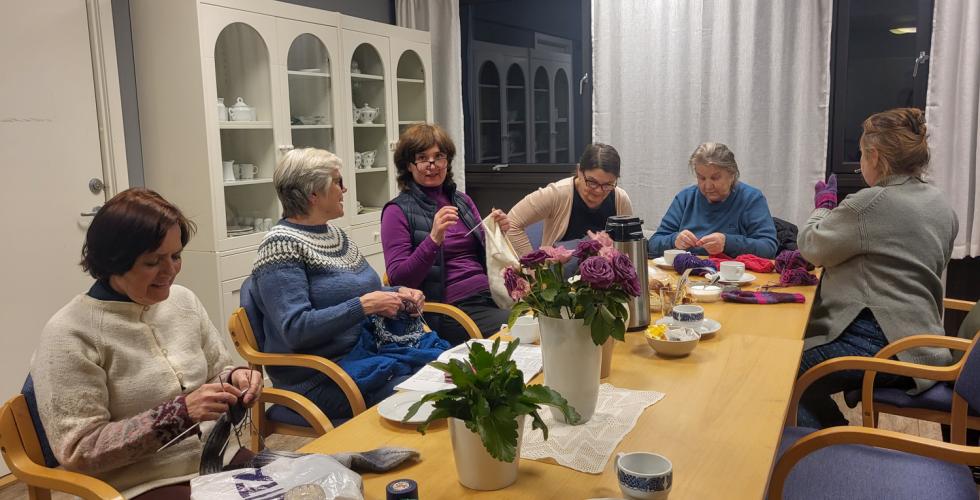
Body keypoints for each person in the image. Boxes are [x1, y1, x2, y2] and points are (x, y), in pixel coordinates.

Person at [31, 188, 263, 499]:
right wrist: (181, 413)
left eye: (176, 256)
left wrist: (236, 379)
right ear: (113, 261)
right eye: (153, 261)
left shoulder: (184, 302)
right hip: (137, 485)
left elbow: (217, 372)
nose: (170, 271)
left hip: (218, 460)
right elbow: (79, 449)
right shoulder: (69, 334)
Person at [796, 108, 958, 429]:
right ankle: (835, 436)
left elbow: (811, 246)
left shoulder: (869, 203)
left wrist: (823, 207)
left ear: (874, 156)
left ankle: (831, 443)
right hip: (926, 343)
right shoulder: (941, 205)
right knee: (797, 373)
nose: (860, 162)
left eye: (861, 154)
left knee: (784, 370)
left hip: (882, 343)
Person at [247, 148, 434, 423]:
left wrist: (398, 294)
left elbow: (361, 293)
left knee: (443, 376)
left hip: (363, 355)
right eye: (337, 182)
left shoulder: (335, 234)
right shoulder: (280, 246)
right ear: (313, 193)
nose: (344, 189)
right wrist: (365, 306)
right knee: (423, 396)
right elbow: (296, 329)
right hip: (319, 377)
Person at [381, 123, 510, 343]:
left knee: (546, 315)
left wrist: (498, 232)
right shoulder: (396, 211)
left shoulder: (461, 200)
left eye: (438, 156)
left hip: (491, 296)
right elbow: (398, 279)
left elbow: (486, 254)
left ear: (447, 161)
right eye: (422, 158)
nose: (432, 165)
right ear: (409, 165)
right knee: (525, 326)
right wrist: (433, 239)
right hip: (451, 311)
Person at [648, 142, 777, 258]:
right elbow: (653, 243)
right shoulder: (685, 198)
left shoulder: (751, 199)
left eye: (715, 178)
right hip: (686, 272)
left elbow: (768, 247)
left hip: (731, 274)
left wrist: (728, 243)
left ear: (732, 175)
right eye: (702, 178)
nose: (708, 186)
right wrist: (674, 240)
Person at [507, 143, 634, 256]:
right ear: (579, 171)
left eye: (607, 185)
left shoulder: (620, 199)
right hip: (561, 274)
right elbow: (512, 223)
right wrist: (533, 267)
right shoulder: (557, 194)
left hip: (607, 274)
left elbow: (628, 245)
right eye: (592, 182)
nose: (599, 191)